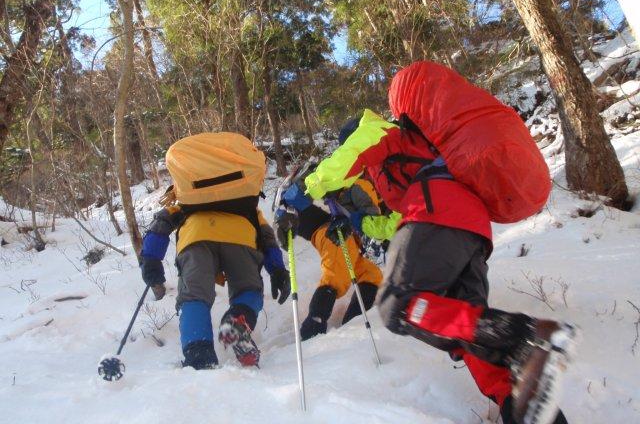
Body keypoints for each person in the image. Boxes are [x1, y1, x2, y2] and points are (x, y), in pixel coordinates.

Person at [303, 62, 575, 424]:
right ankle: (520, 405)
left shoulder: (379, 132)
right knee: (464, 325)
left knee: (398, 304)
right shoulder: (417, 156)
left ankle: (522, 336)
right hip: (469, 230)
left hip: (438, 209)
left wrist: (308, 187)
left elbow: (349, 159)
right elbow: (397, 223)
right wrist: (360, 222)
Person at [138, 135, 290, 370]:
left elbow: (161, 224)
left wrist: (151, 260)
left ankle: (199, 355)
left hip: (196, 238)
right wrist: (277, 269)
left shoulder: (185, 204)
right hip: (241, 235)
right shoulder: (248, 209)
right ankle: (238, 320)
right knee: (248, 290)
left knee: (194, 297)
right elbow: (267, 238)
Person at [274, 160, 383, 341]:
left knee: (370, 274)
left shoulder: (358, 179)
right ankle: (313, 325)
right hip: (329, 228)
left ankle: (354, 321)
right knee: (337, 271)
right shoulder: (358, 180)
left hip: (336, 229)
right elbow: (371, 219)